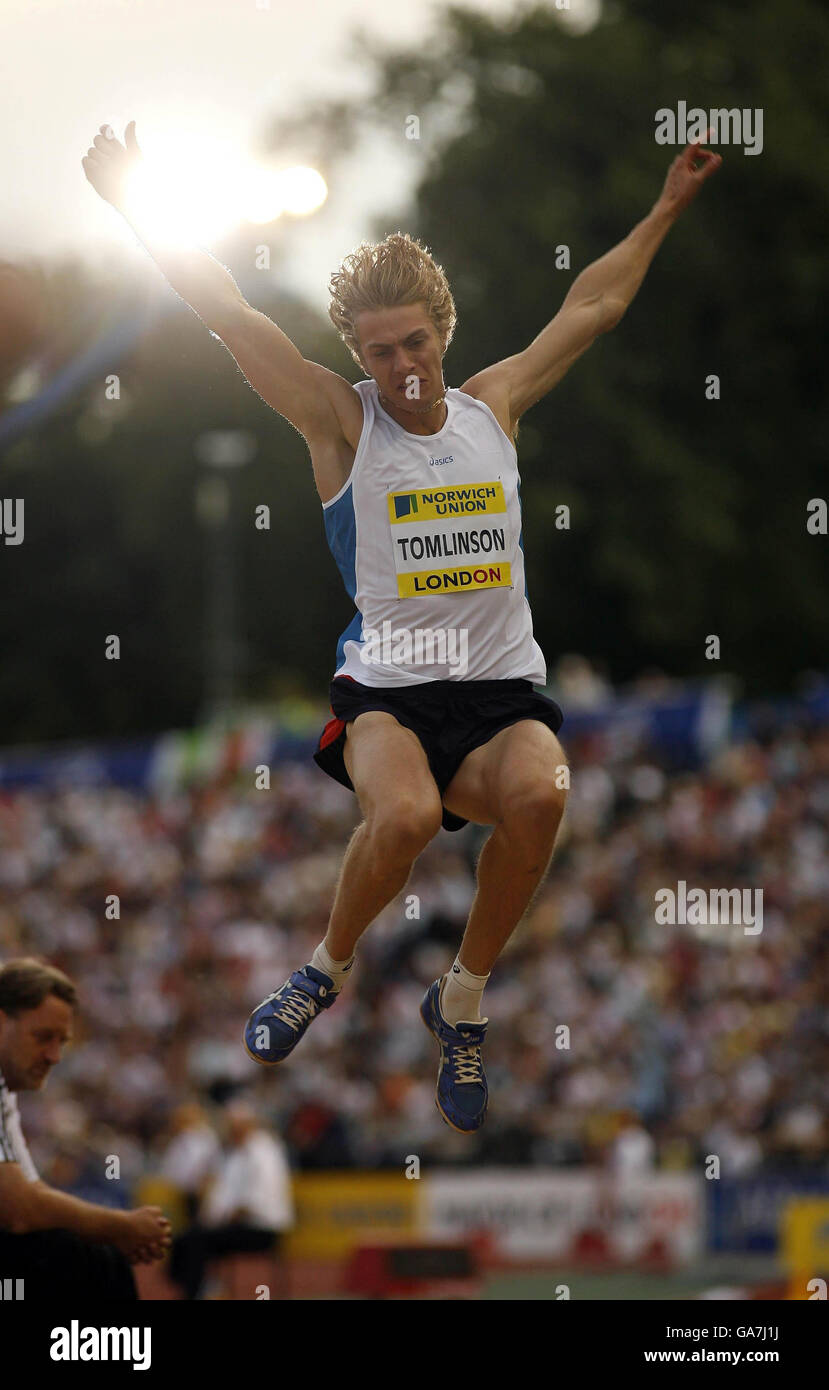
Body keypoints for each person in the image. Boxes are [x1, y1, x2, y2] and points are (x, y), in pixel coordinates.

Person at [82, 122, 721, 1135]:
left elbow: (592, 306)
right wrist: (131, 200)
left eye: (415, 342)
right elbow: (229, 312)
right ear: (357, 355)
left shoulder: (491, 406)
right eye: (379, 351)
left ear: (443, 330)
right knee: (409, 819)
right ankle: (323, 968)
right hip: (389, 692)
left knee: (544, 793)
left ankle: (462, 997)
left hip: (502, 690)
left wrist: (664, 209)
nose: (402, 366)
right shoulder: (340, 422)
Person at [0, 957, 171, 1299]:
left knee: (83, 1253)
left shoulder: (5, 1090)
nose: (55, 1056)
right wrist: (121, 1227)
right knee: (88, 1260)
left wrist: (112, 1233)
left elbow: (30, 1197)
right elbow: (20, 1209)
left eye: (61, 1042)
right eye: (43, 1037)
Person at [168, 1099, 294, 1300]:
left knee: (197, 1240)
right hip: (240, 1225)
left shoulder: (264, 1151)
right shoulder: (236, 1153)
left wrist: (221, 1218)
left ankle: (193, 1292)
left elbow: (255, 1200)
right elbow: (224, 1196)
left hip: (262, 1228)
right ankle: (194, 1286)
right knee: (187, 1238)